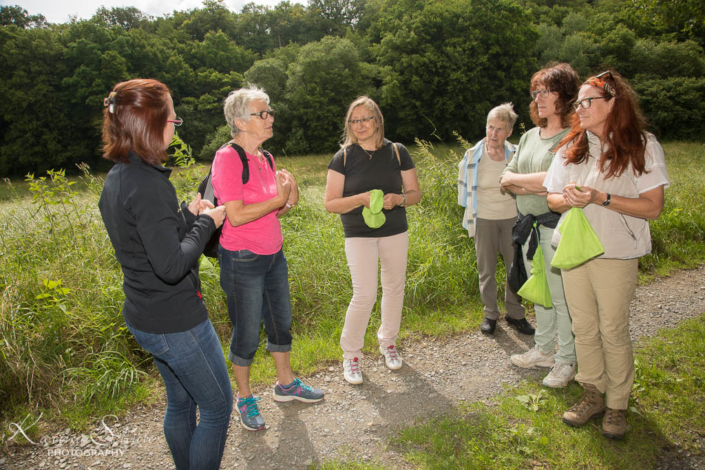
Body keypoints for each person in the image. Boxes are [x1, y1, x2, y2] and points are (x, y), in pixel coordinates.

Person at [98, 79, 232, 470]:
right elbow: (172, 266)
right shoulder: (149, 184)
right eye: (172, 117)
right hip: (177, 322)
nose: (175, 125)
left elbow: (149, 240)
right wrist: (206, 223)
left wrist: (188, 215)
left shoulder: (120, 177)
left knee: (181, 401)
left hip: (144, 314)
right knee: (216, 406)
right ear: (150, 124)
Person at [545, 71, 669, 439]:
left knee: (612, 329)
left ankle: (618, 405)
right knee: (583, 326)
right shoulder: (573, 146)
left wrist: (602, 198)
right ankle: (592, 394)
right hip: (574, 251)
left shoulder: (641, 145)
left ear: (613, 103)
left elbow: (653, 207)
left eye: (588, 102)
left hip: (616, 251)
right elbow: (550, 198)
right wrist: (566, 198)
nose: (579, 108)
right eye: (577, 103)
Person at [211, 86, 323, 432]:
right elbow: (238, 215)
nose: (270, 117)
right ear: (241, 122)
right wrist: (278, 200)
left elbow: (280, 209)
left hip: (274, 254)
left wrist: (291, 194)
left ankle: (285, 384)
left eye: (269, 112)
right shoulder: (228, 158)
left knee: (281, 321)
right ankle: (244, 398)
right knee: (246, 332)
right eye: (263, 113)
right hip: (242, 259)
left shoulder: (266, 158)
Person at [324, 96, 421, 385]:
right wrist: (360, 199)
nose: (360, 125)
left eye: (366, 118)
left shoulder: (398, 151)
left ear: (377, 120)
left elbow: (415, 193)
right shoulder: (342, 158)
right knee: (364, 294)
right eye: (354, 120)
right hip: (358, 235)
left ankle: (388, 342)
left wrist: (399, 199)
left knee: (394, 288)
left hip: (395, 231)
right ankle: (351, 354)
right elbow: (330, 203)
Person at [500, 63, 580, 388]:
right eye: (536, 92)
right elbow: (506, 178)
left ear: (565, 95)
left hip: (556, 227)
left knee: (561, 297)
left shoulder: (574, 137)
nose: (539, 97)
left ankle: (566, 361)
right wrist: (537, 183)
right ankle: (545, 350)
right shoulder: (530, 135)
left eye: (546, 91)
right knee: (541, 294)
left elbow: (558, 183)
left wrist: (537, 183)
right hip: (528, 227)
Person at [458, 103, 534, 336]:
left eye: (499, 129)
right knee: (486, 270)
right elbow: (464, 191)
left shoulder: (518, 153)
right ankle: (490, 313)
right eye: (490, 127)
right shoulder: (473, 155)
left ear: (509, 131)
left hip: (513, 218)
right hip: (484, 218)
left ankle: (515, 313)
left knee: (514, 268)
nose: (493, 134)